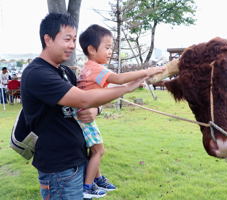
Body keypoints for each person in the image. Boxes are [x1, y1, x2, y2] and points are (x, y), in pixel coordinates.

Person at [21, 13, 164, 200]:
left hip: (76, 161)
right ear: (48, 39)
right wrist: (127, 88)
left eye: (74, 39)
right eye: (67, 39)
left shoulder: (64, 72)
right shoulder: (37, 74)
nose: (72, 45)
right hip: (59, 169)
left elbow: (86, 103)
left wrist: (97, 110)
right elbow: (83, 99)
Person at [77, 24, 164, 198]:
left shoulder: (86, 67)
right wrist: (149, 71)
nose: (110, 52)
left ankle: (97, 179)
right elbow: (119, 78)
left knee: (95, 150)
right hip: (85, 117)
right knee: (99, 151)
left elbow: (116, 84)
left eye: (112, 48)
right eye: (107, 48)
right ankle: (87, 187)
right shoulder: (95, 68)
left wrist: (137, 81)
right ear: (92, 49)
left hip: (81, 115)